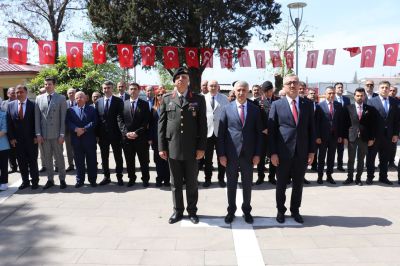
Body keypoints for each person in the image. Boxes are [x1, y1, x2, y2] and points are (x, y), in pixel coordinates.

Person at [158, 67, 207, 224]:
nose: (181, 79)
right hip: (172, 148)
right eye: (178, 77)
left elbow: (203, 125)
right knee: (175, 183)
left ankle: (192, 211)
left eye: (184, 77)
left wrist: (201, 148)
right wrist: (161, 147)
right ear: (174, 81)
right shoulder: (166, 98)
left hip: (192, 149)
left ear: (189, 81)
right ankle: (177, 211)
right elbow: (161, 125)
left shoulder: (198, 99)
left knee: (192, 183)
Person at [268, 74, 315, 224]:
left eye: (295, 82)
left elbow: (312, 129)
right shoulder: (276, 105)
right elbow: (272, 132)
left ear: (300, 85)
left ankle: (295, 210)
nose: (293, 85)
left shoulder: (307, 104)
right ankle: (280, 210)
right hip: (282, 153)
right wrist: (273, 153)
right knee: (281, 184)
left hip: (301, 152)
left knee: (298, 184)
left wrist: (312, 151)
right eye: (289, 83)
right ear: (284, 87)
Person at [217, 81, 262, 224]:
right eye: (238, 90)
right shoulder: (226, 109)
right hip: (231, 154)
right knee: (231, 184)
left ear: (248, 91)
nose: (241, 93)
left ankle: (247, 211)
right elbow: (221, 134)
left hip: (248, 155)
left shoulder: (255, 110)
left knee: (247, 184)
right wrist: (221, 154)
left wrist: (257, 154)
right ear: (234, 92)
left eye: (243, 90)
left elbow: (259, 134)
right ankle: (231, 211)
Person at [35, 77, 67, 189]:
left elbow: (63, 118)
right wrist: (38, 134)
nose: (47, 86)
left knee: (59, 158)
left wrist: (62, 134)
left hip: (57, 134)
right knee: (47, 158)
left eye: (49, 84)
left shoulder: (61, 98)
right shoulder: (39, 98)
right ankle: (50, 179)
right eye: (45, 84)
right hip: (44, 135)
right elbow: (37, 117)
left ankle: (62, 179)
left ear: (54, 85)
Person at [118, 82, 151, 187]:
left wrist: (136, 133)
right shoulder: (123, 104)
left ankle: (145, 179)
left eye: (135, 89)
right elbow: (120, 120)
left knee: (144, 161)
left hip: (141, 138)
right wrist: (126, 133)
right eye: (131, 89)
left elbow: (146, 121)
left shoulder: (144, 104)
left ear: (139, 90)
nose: (133, 91)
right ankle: (131, 178)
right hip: (127, 139)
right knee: (129, 161)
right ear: (128, 90)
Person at [366, 81, 399, 185]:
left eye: (386, 87)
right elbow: (368, 121)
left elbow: (396, 120)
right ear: (379, 89)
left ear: (389, 89)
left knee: (385, 158)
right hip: (375, 136)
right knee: (371, 158)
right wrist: (370, 137)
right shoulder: (372, 101)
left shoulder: (394, 102)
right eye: (382, 87)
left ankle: (383, 177)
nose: (385, 89)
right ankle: (370, 177)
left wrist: (395, 134)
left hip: (388, 136)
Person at [7, 85, 39, 190]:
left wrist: (36, 136)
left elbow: (36, 122)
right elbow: (9, 123)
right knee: (21, 162)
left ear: (26, 93)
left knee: (33, 161)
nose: (19, 94)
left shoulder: (33, 105)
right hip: (18, 140)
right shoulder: (10, 105)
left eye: (21, 92)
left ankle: (35, 181)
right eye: (17, 92)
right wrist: (11, 138)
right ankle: (25, 182)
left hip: (31, 139)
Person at [342, 88, 376, 186]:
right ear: (354, 96)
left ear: (364, 96)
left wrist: (371, 138)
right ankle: (349, 178)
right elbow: (345, 124)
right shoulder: (348, 108)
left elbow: (372, 125)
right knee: (351, 159)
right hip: (352, 137)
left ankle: (358, 179)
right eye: (358, 95)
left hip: (364, 138)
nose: (360, 97)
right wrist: (345, 137)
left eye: (361, 95)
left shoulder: (369, 109)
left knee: (361, 160)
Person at [66, 91, 98, 188]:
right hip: (76, 140)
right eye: (77, 98)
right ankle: (80, 180)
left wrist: (84, 129)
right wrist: (76, 129)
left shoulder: (92, 109)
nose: (78, 99)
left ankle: (92, 180)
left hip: (89, 140)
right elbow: (68, 122)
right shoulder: (70, 110)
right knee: (79, 162)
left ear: (85, 98)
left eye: (81, 97)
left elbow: (95, 121)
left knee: (91, 161)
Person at [96, 81, 125, 186]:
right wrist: (97, 135)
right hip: (103, 135)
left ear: (112, 89)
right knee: (104, 157)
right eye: (104, 88)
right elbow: (97, 119)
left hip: (116, 134)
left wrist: (122, 133)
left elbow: (121, 118)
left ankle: (119, 176)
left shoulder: (118, 101)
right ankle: (106, 176)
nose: (106, 90)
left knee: (118, 156)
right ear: (102, 89)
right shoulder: (98, 102)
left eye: (108, 88)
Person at [202, 80, 229, 188]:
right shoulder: (202, 98)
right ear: (207, 87)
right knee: (207, 159)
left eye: (215, 86)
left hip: (220, 132)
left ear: (218, 87)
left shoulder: (224, 98)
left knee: (221, 157)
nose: (213, 87)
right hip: (207, 132)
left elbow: (228, 114)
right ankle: (207, 179)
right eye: (211, 86)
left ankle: (221, 178)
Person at [315, 86, 343, 184]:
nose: (331, 95)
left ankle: (329, 175)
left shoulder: (338, 105)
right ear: (325, 94)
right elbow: (316, 122)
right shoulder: (319, 106)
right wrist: (317, 136)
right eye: (329, 93)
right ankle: (320, 176)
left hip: (334, 136)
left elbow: (340, 122)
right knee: (321, 157)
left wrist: (340, 135)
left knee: (331, 157)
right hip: (322, 137)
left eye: (333, 93)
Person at [254, 81, 278, 185]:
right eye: (266, 91)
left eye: (270, 91)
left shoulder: (278, 100)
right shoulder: (257, 101)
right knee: (261, 156)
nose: (268, 93)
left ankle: (272, 177)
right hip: (262, 134)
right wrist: (262, 128)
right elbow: (256, 118)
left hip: (274, 133)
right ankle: (260, 176)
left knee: (273, 154)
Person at [149, 87, 170, 187]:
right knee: (158, 160)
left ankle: (167, 179)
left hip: (168, 139)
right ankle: (159, 178)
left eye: (163, 94)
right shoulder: (153, 109)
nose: (161, 96)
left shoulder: (170, 107)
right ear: (156, 97)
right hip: (156, 139)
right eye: (158, 95)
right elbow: (151, 125)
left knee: (167, 160)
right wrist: (150, 138)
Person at [1, 87, 18, 173]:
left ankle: (23, 165)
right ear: (8, 94)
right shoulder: (3, 103)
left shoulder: (18, 102)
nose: (13, 94)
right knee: (10, 151)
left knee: (19, 150)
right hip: (6, 131)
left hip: (17, 130)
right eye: (11, 93)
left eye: (15, 93)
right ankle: (13, 167)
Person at [334, 82, 350, 172]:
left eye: (341, 87)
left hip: (344, 127)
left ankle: (340, 165)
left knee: (341, 148)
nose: (340, 89)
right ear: (335, 89)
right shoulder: (333, 98)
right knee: (332, 148)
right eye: (338, 87)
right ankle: (330, 164)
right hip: (335, 126)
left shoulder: (347, 99)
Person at [307, 88, 321, 172]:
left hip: (316, 131)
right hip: (306, 132)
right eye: (310, 93)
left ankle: (314, 165)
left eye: (314, 93)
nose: (312, 95)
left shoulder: (318, 106)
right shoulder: (304, 104)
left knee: (314, 149)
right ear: (307, 95)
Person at [65, 88, 76, 172]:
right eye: (69, 93)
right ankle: (70, 164)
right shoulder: (64, 103)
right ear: (67, 94)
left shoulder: (79, 102)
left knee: (78, 148)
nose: (71, 94)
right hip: (67, 130)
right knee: (69, 149)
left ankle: (79, 164)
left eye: (72, 93)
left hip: (77, 130)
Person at [388, 86, 399, 168]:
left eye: (394, 90)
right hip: (385, 127)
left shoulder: (398, 101)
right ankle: (382, 162)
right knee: (383, 147)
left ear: (396, 92)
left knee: (393, 146)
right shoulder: (384, 100)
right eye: (390, 90)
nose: (392, 92)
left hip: (395, 127)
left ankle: (391, 162)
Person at [0, 106, 10, 191]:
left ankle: (4, 183)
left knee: (3, 165)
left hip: (2, 145)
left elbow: (4, 129)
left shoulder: (3, 114)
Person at [38, 87, 47, 173]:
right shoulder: (37, 102)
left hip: (52, 131)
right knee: (42, 150)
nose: (43, 94)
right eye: (41, 92)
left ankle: (56, 165)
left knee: (54, 150)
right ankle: (44, 165)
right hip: (41, 131)